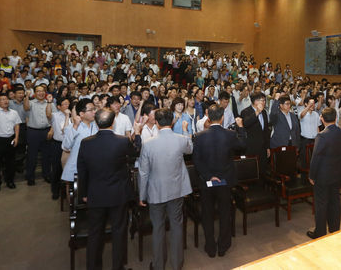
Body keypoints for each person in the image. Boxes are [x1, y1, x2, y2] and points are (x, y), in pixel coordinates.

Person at [77, 109, 140, 270]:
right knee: (118, 232)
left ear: (96, 122)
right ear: (113, 122)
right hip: (118, 194)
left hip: (95, 194)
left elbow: (82, 170)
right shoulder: (122, 141)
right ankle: (117, 267)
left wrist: (83, 193)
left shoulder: (86, 142)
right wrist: (138, 134)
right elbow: (136, 152)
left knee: (94, 233)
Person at [138, 108, 193, 270]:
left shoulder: (148, 144)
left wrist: (142, 195)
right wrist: (185, 131)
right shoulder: (181, 139)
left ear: (156, 122)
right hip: (176, 190)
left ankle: (158, 265)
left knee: (158, 228)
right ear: (172, 121)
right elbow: (190, 148)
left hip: (156, 192)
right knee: (176, 227)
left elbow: (143, 173)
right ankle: (177, 265)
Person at [192, 104, 246, 258]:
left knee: (207, 214)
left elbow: (196, 160)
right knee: (225, 213)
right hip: (225, 180)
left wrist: (209, 176)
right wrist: (241, 127)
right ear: (222, 118)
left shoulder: (199, 136)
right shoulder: (230, 134)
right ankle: (223, 246)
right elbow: (243, 145)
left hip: (206, 181)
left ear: (208, 118)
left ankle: (210, 247)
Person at [307, 107, 341, 239]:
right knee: (335, 202)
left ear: (322, 119)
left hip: (323, 175)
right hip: (337, 172)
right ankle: (335, 229)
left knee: (321, 204)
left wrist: (312, 175)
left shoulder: (322, 135)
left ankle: (320, 232)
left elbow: (315, 158)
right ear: (336, 118)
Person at [0, 91, 21, 192]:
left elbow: (17, 125)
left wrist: (16, 138)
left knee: (10, 163)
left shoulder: (14, 112)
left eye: (6, 99)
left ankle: (10, 181)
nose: (5, 101)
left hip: (10, 139)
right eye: (2, 100)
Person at [23, 84, 53, 186]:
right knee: (32, 156)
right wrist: (27, 96)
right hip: (33, 132)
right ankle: (30, 177)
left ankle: (47, 175)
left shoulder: (50, 103)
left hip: (46, 131)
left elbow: (54, 118)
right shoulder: (31, 102)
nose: (41, 93)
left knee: (47, 155)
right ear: (35, 93)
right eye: (38, 91)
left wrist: (51, 130)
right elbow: (26, 107)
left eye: (42, 91)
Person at [241, 92, 270, 177]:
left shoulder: (264, 112)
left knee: (262, 171)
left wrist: (267, 147)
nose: (264, 102)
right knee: (252, 172)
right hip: (251, 148)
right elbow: (246, 124)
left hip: (263, 148)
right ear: (255, 101)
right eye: (262, 100)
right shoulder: (245, 111)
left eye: (264, 100)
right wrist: (257, 112)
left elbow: (266, 131)